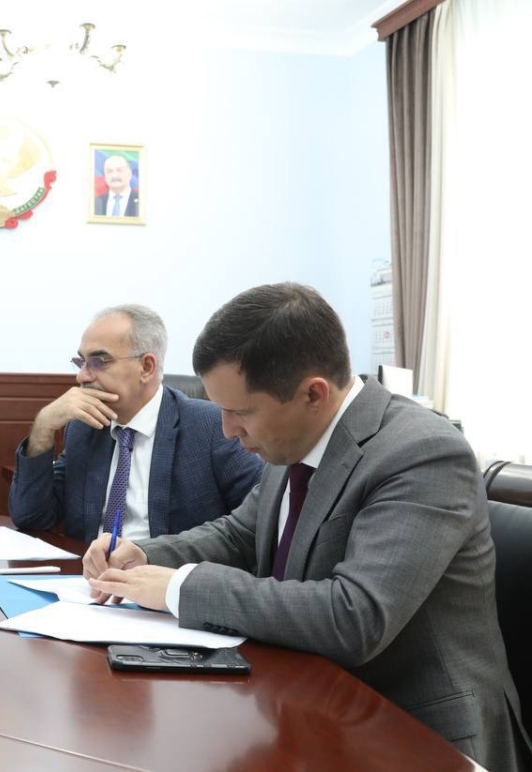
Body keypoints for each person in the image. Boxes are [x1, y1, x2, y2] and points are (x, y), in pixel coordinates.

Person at [84, 283, 530, 771]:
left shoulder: (421, 452)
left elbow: (355, 616)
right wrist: (149, 555)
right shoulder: (294, 437)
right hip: (313, 703)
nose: (228, 431)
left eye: (240, 412)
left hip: (415, 733)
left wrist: (180, 587)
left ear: (313, 394)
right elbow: (240, 533)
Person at [8, 304, 262, 542]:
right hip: (89, 572)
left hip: (168, 571)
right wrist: (43, 426)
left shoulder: (209, 426)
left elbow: (258, 521)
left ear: (147, 367)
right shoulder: (85, 427)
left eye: (98, 362)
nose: (82, 376)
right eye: (81, 362)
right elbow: (32, 518)